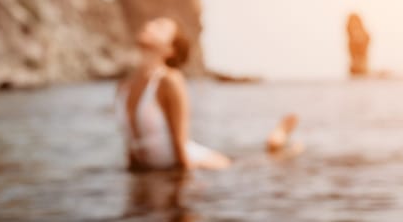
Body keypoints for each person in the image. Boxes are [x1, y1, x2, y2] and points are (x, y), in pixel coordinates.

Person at [116, 17, 298, 170]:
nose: (149, 25)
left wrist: (185, 196)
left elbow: (180, 145)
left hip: (193, 162)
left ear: (169, 49)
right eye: (152, 22)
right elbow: (131, 148)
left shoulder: (170, 80)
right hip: (155, 171)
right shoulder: (124, 86)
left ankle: (279, 136)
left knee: (258, 163)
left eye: (160, 27)